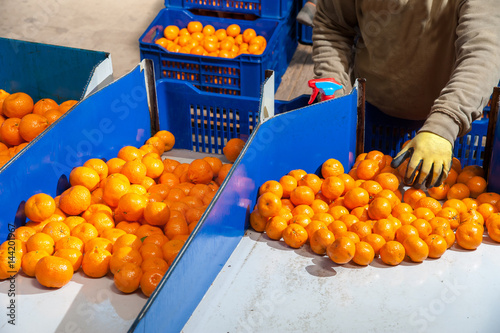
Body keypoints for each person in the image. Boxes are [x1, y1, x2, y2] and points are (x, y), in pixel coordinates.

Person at [311, 0, 500, 188]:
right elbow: (332, 24)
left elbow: (483, 53)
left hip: (446, 126)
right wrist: (334, 89)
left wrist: (444, 124)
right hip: (367, 114)